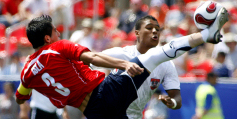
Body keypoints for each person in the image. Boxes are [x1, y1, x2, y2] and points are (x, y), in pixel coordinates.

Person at [15, 5, 228, 118]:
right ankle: (206, 34)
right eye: (55, 30)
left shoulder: (26, 72)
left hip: (93, 112)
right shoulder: (57, 48)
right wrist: (123, 65)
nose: (59, 32)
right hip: (105, 93)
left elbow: (20, 97)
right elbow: (94, 57)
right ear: (47, 38)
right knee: (156, 55)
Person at [91, 15, 181, 119]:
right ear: (137, 33)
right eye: (149, 28)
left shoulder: (166, 64)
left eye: (157, 29)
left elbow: (177, 97)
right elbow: (90, 59)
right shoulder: (121, 54)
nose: (155, 31)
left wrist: (173, 102)